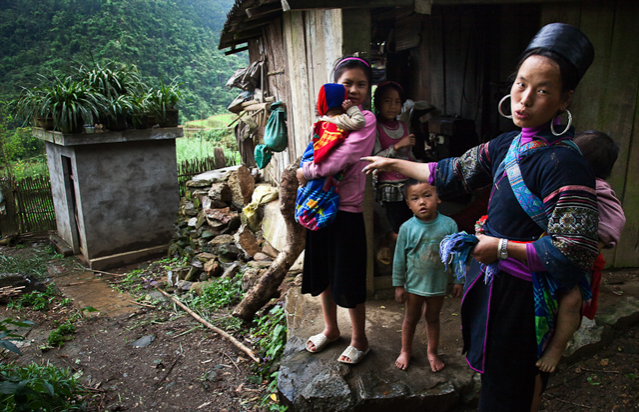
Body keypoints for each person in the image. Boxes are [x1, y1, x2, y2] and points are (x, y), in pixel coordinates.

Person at [363, 23, 598, 411]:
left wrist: (503, 248)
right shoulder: (507, 144)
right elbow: (453, 171)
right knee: (499, 377)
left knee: (511, 385)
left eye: (542, 90)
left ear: (564, 99)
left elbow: (574, 250)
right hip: (493, 286)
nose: (524, 99)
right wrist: (396, 163)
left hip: (524, 300)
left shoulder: (565, 163)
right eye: (521, 84)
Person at [297, 56, 376, 365]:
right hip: (318, 208)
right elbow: (315, 147)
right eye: (347, 83)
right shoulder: (327, 118)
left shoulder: (364, 120)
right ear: (334, 87)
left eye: (361, 84)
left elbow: (340, 160)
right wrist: (308, 168)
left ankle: (360, 340)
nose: (354, 89)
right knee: (324, 274)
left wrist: (305, 171)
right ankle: (331, 330)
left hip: (347, 211)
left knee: (350, 278)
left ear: (368, 90)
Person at [536, 130, 626, 373]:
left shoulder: (598, 189)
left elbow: (615, 219)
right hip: (546, 250)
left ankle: (557, 348)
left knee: (572, 300)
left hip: (575, 259)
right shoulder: (558, 178)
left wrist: (596, 241)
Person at [392, 178, 462, 372]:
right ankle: (406, 350)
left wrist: (458, 280)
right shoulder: (407, 228)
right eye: (415, 198)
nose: (422, 202)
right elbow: (399, 259)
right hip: (413, 285)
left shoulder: (449, 225)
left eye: (427, 196)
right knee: (410, 319)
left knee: (433, 318)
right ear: (408, 204)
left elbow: (457, 255)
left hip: (438, 284)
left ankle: (432, 352)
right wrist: (398, 285)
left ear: (438, 198)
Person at [371, 82, 417, 264]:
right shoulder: (375, 127)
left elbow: (410, 156)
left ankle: (410, 260)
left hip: (409, 183)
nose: (393, 106)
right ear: (377, 103)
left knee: (415, 222)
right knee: (400, 228)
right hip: (390, 186)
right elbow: (375, 158)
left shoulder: (404, 126)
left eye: (397, 102)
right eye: (387, 101)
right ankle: (386, 239)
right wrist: (398, 146)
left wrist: (424, 171)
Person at [311, 83, 366, 164]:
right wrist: (351, 108)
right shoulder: (343, 120)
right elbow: (360, 121)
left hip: (317, 163)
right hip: (336, 163)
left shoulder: (317, 124)